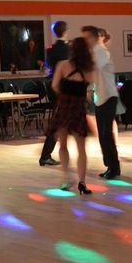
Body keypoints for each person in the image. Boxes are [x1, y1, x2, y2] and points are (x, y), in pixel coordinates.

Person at [44, 36, 95, 194]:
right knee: (81, 148)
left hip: (65, 107)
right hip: (79, 108)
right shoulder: (89, 69)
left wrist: (65, 93)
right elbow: (89, 90)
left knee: (63, 145)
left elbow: (54, 86)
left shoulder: (63, 65)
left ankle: (65, 179)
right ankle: (82, 182)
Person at [83, 26, 121, 179]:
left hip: (108, 97)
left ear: (95, 37)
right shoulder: (96, 52)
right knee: (103, 134)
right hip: (101, 98)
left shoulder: (101, 51)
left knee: (106, 134)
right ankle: (110, 166)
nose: (86, 40)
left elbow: (92, 70)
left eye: (87, 37)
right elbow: (94, 74)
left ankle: (114, 168)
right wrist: (90, 88)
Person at [38, 21, 69, 167]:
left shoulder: (50, 49)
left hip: (52, 86)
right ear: (66, 31)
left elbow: (49, 65)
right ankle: (45, 155)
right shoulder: (68, 49)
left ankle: (46, 155)